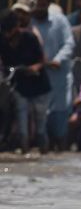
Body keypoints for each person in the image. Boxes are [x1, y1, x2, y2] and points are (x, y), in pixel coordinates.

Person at [0, 11, 52, 153]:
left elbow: (42, 61)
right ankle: (25, 152)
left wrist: (34, 68)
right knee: (22, 125)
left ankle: (43, 154)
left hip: (39, 86)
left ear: (16, 27)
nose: (7, 34)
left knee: (41, 126)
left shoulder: (30, 37)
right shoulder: (3, 40)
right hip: (19, 86)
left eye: (9, 30)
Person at [31, 0, 75, 151]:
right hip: (37, 79)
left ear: (48, 4)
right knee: (39, 126)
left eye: (43, 3)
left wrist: (57, 59)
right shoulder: (29, 23)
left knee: (59, 126)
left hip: (58, 79)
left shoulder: (60, 21)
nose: (40, 7)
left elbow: (69, 44)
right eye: (37, 3)